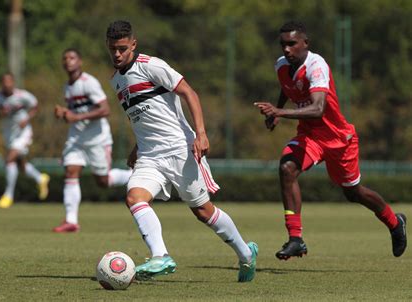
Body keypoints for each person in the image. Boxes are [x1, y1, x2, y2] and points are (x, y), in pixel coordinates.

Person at [105, 20, 258, 282]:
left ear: (133, 44)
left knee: (203, 212)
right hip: (150, 156)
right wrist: (136, 147)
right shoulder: (116, 81)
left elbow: (189, 93)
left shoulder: (151, 66)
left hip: (180, 150)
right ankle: (160, 256)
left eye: (122, 48)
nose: (117, 54)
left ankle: (246, 255)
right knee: (134, 198)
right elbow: (141, 116)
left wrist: (201, 133)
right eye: (112, 49)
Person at [254, 21, 407, 260]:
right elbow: (287, 87)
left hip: (338, 139)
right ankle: (296, 239)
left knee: (353, 193)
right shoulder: (281, 66)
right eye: (283, 44)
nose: (286, 49)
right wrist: (279, 110)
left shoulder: (317, 66)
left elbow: (317, 108)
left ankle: (394, 222)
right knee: (287, 167)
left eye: (292, 44)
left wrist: (279, 113)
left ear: (306, 43)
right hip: (310, 137)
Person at [53, 48, 132, 233]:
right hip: (77, 138)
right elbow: (76, 112)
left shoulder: (89, 83)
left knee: (102, 181)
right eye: (65, 58)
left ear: (79, 61)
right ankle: (71, 221)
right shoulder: (67, 87)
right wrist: (64, 114)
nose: (68, 61)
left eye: (72, 57)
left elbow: (105, 110)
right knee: (71, 171)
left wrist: (75, 117)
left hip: (98, 138)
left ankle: (132, 175)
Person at [0, 73, 50, 209]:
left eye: (9, 81)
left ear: (13, 83)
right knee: (21, 166)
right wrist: (0, 114)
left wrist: (27, 119)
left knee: (9, 159)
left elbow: (35, 106)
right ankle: (41, 178)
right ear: (1, 83)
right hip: (8, 134)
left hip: (23, 133)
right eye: (4, 81)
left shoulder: (22, 95)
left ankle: (8, 195)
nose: (7, 84)